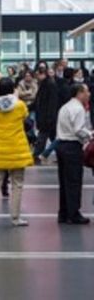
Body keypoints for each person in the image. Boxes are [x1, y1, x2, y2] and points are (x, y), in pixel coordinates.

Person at [0, 77, 33, 227]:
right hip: (16, 148)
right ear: (13, 89)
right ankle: (15, 218)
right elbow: (26, 118)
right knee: (17, 184)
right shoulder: (20, 106)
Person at [55, 83, 92, 225]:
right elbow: (78, 130)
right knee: (74, 181)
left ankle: (63, 213)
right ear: (80, 93)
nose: (89, 94)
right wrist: (90, 135)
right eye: (87, 91)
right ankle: (74, 214)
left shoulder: (65, 107)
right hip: (72, 146)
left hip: (61, 145)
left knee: (64, 182)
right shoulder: (78, 109)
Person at [32, 66, 59, 161]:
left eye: (37, 75)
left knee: (42, 137)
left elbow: (51, 102)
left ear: (42, 74)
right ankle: (61, 154)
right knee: (53, 137)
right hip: (47, 117)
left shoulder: (48, 85)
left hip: (46, 117)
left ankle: (37, 155)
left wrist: (49, 117)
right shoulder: (45, 84)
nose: (36, 77)